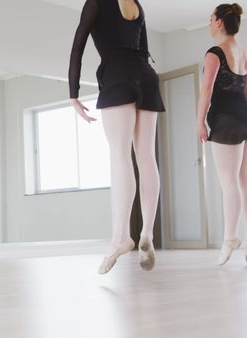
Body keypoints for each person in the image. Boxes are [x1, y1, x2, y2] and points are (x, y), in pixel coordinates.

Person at [69, 0, 165, 273]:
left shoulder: (96, 2)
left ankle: (120, 237)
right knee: (146, 156)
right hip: (147, 77)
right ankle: (148, 232)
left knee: (120, 155)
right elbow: (144, 50)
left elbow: (78, 46)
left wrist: (73, 92)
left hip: (117, 75)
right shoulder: (135, 3)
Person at [197, 4, 247, 265]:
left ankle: (229, 238)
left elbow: (206, 90)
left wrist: (200, 121)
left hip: (227, 119)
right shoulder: (244, 53)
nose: (209, 23)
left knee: (229, 182)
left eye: (211, 19)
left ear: (220, 23)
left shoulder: (214, 53)